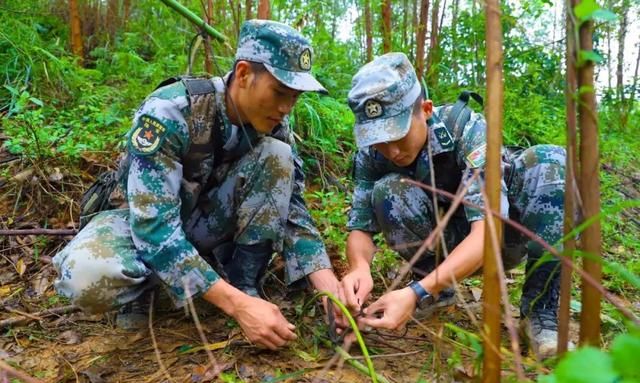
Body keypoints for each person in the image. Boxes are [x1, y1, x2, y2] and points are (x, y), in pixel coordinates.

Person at [52, 19, 344, 351]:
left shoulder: (275, 124)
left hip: (202, 225)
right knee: (87, 276)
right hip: (136, 224)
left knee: (280, 156)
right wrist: (235, 306)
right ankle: (166, 293)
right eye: (279, 92)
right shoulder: (171, 111)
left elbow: (291, 206)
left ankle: (243, 285)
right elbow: (154, 228)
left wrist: (327, 285)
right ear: (244, 74)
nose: (286, 107)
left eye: (295, 97)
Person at [340, 52, 570, 359]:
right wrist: (359, 268)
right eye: (379, 140)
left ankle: (540, 313)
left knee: (553, 163)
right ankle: (436, 290)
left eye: (398, 134)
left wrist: (414, 292)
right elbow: (360, 227)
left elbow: (488, 234)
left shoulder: (467, 130)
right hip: (445, 241)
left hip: (504, 235)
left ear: (425, 109)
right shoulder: (373, 153)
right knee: (387, 190)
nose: (391, 150)